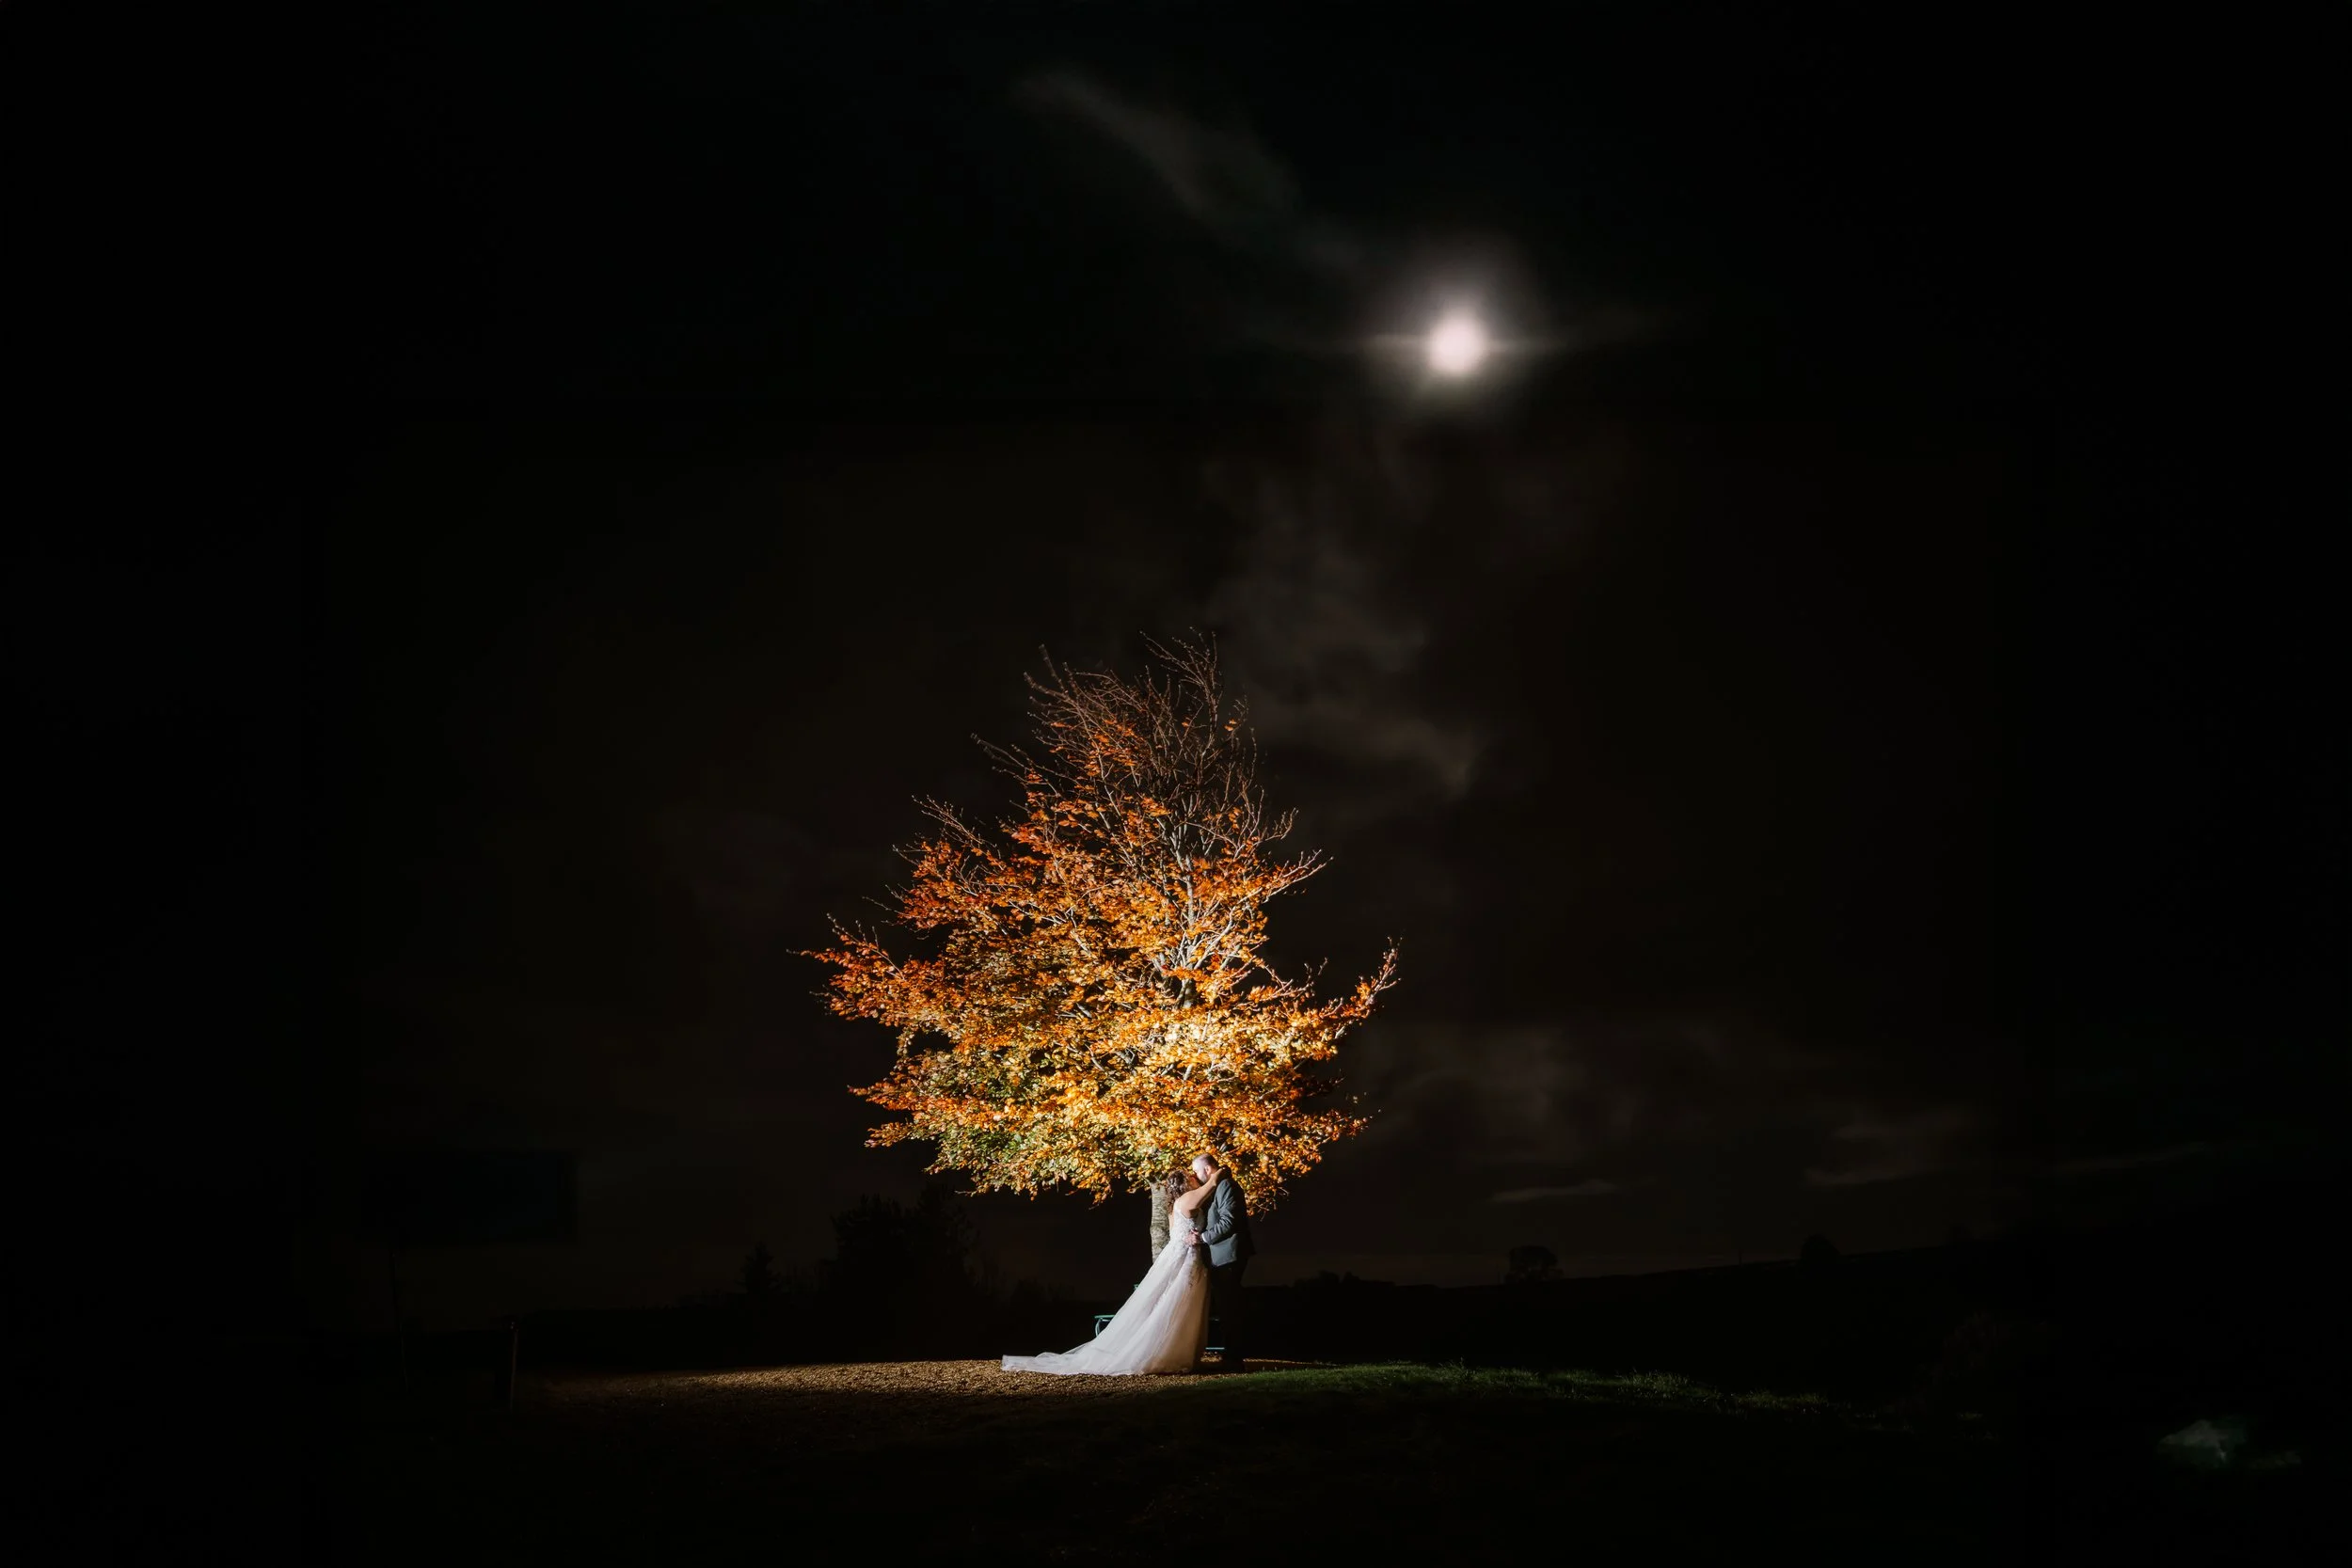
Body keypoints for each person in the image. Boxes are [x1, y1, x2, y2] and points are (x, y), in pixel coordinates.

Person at [1001, 1164, 1225, 1376]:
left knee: (1174, 1302)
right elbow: (1212, 1184)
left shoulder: (1176, 1205)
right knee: (1176, 1301)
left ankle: (1171, 1351)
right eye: (1191, 1176)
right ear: (1185, 1184)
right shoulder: (1187, 1199)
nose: (1195, 1178)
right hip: (1184, 1256)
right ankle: (1166, 1353)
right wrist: (1218, 1171)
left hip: (1183, 1255)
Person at [1187, 1153, 1254, 1372]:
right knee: (1226, 1306)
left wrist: (1203, 1237)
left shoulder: (1226, 1186)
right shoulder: (1219, 1186)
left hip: (1229, 1255)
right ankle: (1231, 1354)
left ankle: (1234, 1358)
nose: (1196, 1176)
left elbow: (1229, 1220)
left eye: (1197, 1171)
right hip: (1221, 1256)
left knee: (1229, 1306)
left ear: (1207, 1170)